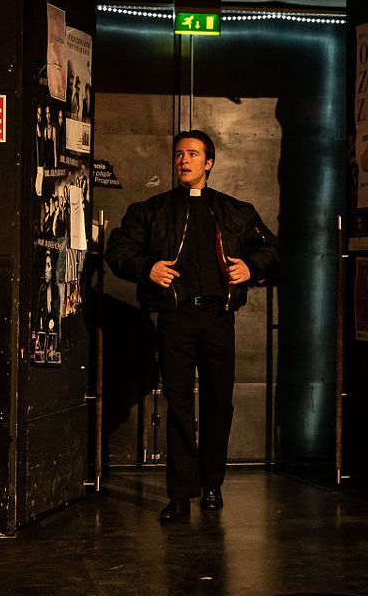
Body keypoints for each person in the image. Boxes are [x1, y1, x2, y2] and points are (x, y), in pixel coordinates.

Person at [106, 129, 280, 523]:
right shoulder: (151, 210)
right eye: (179, 154)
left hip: (219, 317)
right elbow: (119, 249)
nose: (183, 160)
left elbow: (273, 249)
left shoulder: (235, 210)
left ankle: (212, 484)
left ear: (209, 163)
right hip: (176, 318)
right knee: (180, 406)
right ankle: (180, 494)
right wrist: (147, 268)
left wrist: (251, 268)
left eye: (193, 154)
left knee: (219, 404)